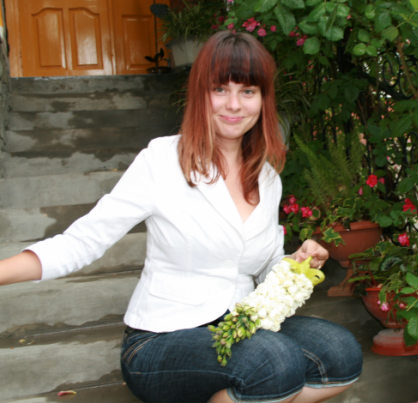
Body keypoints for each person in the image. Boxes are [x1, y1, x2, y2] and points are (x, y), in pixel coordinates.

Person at [0, 30, 362, 402]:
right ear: (201, 94)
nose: (234, 104)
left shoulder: (267, 178)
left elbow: (263, 265)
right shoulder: (161, 160)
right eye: (220, 89)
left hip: (240, 326)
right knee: (273, 362)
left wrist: (295, 263)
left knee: (340, 353)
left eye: (248, 91)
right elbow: (83, 242)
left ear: (263, 99)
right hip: (162, 340)